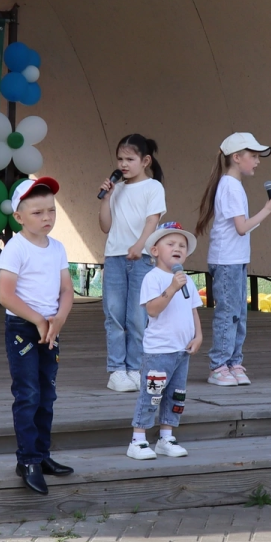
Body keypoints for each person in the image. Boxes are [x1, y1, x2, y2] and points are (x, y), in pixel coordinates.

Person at [0, 177, 75, 497]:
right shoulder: (16, 248)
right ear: (19, 217)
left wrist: (57, 321)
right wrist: (38, 320)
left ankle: (42, 455)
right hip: (24, 329)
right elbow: (5, 294)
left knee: (47, 394)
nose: (46, 218)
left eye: (51, 211)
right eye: (37, 212)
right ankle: (27, 459)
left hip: (50, 329)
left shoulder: (57, 248)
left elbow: (67, 290)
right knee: (28, 393)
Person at [194, 132, 271, 387]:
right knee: (229, 313)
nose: (257, 161)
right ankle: (219, 365)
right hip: (227, 260)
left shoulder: (233, 185)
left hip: (236, 259)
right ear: (236, 157)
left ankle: (234, 362)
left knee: (239, 313)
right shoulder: (230, 186)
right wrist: (267, 210)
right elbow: (241, 227)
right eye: (253, 156)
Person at [97, 134, 166, 393]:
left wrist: (139, 245)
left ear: (145, 160)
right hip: (115, 257)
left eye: (130, 159)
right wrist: (106, 198)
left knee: (138, 317)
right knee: (114, 316)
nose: (123, 164)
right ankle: (117, 370)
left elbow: (152, 220)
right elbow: (105, 226)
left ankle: (135, 368)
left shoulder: (153, 188)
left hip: (142, 258)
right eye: (120, 159)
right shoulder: (117, 188)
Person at [127, 223, 202, 460]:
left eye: (182, 245)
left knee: (176, 395)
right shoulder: (154, 278)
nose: (177, 248)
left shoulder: (187, 280)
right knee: (152, 394)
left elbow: (193, 310)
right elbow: (152, 309)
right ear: (156, 250)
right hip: (159, 351)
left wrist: (198, 335)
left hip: (182, 350)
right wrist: (172, 287)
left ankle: (166, 437)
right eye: (171, 244)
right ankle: (138, 439)